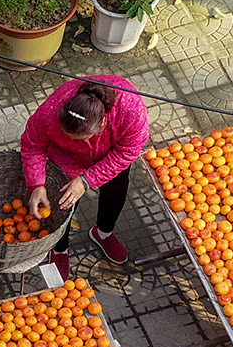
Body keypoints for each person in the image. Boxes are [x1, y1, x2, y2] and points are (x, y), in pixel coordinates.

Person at [20, 75, 150, 280]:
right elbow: (32, 143)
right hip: (66, 158)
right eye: (67, 134)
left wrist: (87, 180)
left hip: (111, 155)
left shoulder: (130, 109)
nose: (71, 139)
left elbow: (128, 151)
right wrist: (36, 183)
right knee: (63, 203)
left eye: (79, 137)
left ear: (102, 125)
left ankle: (103, 233)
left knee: (115, 193)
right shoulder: (52, 109)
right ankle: (59, 249)